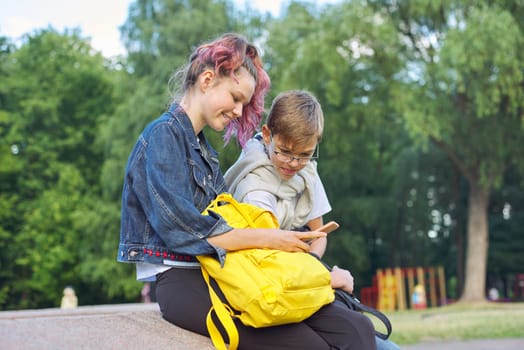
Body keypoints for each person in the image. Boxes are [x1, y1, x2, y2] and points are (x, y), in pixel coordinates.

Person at [117, 33, 376, 350]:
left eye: (245, 104)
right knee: (308, 345)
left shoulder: (205, 152)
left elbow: (232, 224)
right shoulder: (162, 136)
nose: (240, 112)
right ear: (208, 79)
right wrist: (272, 237)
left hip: (228, 270)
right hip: (182, 279)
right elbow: (182, 230)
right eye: (236, 97)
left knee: (357, 331)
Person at [224, 90, 400, 350]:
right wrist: (325, 279)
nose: (294, 163)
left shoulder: (308, 172)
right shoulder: (255, 188)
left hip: (302, 278)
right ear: (267, 134)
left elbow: (319, 234)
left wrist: (314, 265)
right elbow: (270, 268)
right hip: (274, 291)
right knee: (359, 336)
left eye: (305, 154)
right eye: (285, 151)